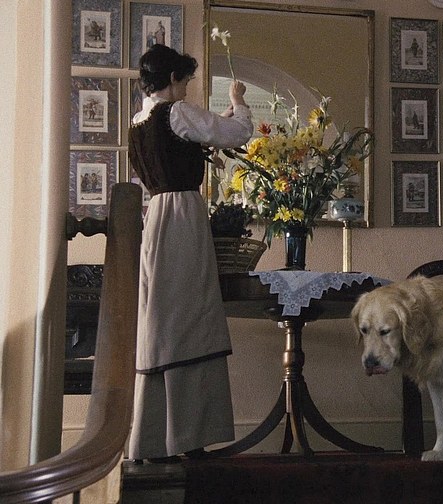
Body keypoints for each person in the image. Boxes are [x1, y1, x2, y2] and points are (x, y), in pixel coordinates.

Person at [127, 44, 253, 463]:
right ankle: (187, 435)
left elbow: (197, 137)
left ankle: (156, 437)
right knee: (190, 317)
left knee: (163, 320)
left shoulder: (139, 122)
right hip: (182, 217)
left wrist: (220, 119)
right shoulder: (176, 113)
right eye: (183, 81)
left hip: (156, 220)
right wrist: (238, 101)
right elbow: (238, 134)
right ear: (172, 79)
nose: (185, 90)